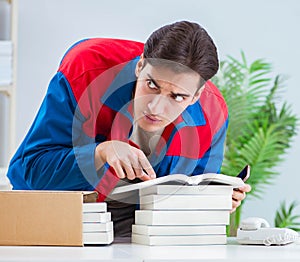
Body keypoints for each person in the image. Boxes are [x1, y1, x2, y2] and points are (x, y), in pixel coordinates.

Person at [7, 20, 251, 237]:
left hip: (146, 235)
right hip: (68, 223)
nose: (155, 107)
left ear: (197, 96)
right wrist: (100, 153)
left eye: (177, 97)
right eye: (152, 85)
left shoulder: (212, 115)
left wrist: (213, 202)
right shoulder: (85, 69)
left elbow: (188, 215)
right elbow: (25, 173)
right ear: (140, 65)